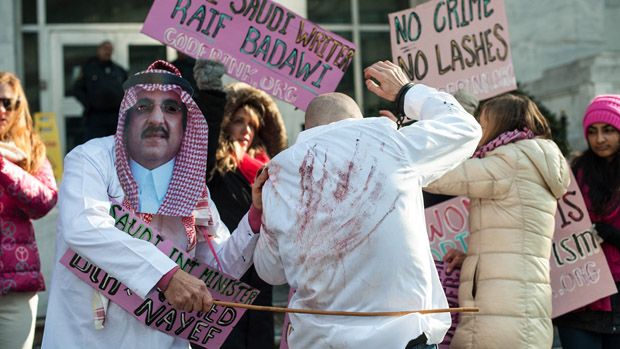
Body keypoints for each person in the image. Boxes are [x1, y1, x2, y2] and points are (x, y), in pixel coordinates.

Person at [253, 60, 482, 349]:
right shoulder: (388, 142)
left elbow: (270, 272)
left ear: (308, 127)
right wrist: (406, 92)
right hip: (400, 339)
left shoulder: (278, 176)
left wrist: (263, 215)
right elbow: (465, 129)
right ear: (357, 120)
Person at [42, 60, 265, 349]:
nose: (157, 118)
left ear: (185, 122)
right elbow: (84, 227)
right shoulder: (91, 160)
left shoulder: (191, 181)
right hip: (89, 338)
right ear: (127, 116)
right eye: (144, 106)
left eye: (171, 109)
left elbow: (218, 267)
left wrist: (255, 216)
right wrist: (167, 276)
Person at [425, 93, 570, 349]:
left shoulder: (511, 160)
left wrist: (414, 142)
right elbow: (515, 234)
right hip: (521, 307)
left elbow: (442, 177)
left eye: (482, 123)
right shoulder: (531, 159)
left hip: (502, 313)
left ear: (501, 123)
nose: (477, 130)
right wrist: (474, 255)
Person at [207, 82, 286, 349]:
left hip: (261, 271)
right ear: (226, 123)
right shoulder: (215, 166)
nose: (246, 130)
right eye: (239, 121)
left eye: (252, 125)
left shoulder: (268, 168)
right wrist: (212, 94)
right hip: (225, 273)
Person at [554, 95, 620, 349]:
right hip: (579, 294)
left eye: (608, 130)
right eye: (592, 131)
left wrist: (611, 234)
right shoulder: (573, 172)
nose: (600, 139)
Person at [0, 72, 58, 349]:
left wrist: (4, 166)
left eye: (7, 103)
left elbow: (45, 201)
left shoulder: (29, 148)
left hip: (15, 287)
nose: (2, 109)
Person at [73, 40, 128, 141]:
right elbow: (77, 89)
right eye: (105, 49)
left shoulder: (119, 70)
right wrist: (88, 103)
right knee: (94, 147)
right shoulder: (89, 69)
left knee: (115, 147)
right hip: (95, 117)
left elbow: (128, 90)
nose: (107, 52)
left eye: (110, 50)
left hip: (115, 117)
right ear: (99, 50)